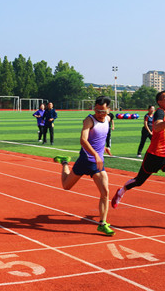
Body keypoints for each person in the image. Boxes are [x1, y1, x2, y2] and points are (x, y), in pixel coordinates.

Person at [111, 90, 165, 220]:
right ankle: (120, 192)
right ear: (160, 102)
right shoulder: (160, 112)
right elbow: (156, 127)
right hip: (154, 156)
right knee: (139, 181)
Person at [53, 96, 114, 236]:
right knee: (66, 186)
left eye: (103, 111)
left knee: (105, 192)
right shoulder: (89, 120)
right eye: (97, 110)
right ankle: (64, 163)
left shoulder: (108, 118)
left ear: (108, 110)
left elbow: (101, 136)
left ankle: (102, 223)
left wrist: (104, 148)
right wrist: (95, 154)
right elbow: (83, 140)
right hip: (86, 160)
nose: (100, 114)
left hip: (97, 163)